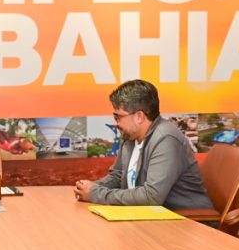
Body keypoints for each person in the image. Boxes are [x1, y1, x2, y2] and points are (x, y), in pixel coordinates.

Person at [73, 79, 211, 210]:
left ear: (139, 117)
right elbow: (118, 176)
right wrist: (89, 188)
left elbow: (151, 196)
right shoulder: (129, 136)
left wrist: (96, 194)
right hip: (149, 216)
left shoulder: (166, 139)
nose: (116, 123)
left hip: (187, 220)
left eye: (118, 117)